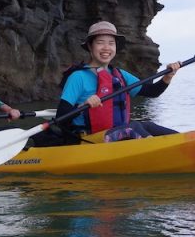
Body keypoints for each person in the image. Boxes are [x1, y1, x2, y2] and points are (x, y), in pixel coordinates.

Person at [40, 21, 181, 146]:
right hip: (88, 139)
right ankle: (158, 152)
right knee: (133, 128)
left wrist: (167, 77)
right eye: (100, 42)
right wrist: (82, 106)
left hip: (116, 135)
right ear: (90, 46)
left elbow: (152, 92)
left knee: (148, 126)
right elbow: (60, 118)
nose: (106, 48)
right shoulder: (78, 77)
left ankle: (182, 142)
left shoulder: (120, 75)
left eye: (111, 43)